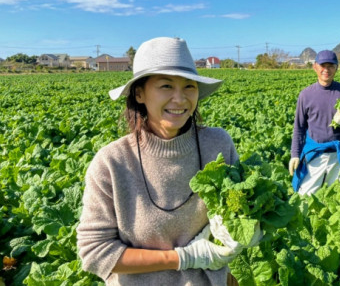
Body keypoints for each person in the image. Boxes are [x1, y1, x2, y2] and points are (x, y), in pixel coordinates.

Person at [77, 37, 242, 285]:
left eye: (189, 87)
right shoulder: (112, 162)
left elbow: (242, 214)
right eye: (166, 86)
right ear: (140, 94)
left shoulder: (218, 145)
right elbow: (95, 253)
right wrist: (181, 258)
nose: (180, 98)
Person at [289, 50, 340, 195]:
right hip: (315, 155)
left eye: (331, 66)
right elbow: (299, 128)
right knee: (305, 197)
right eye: (322, 65)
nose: (326, 70)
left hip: (339, 155)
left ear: (337, 68)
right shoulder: (306, 95)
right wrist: (295, 154)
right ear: (315, 67)